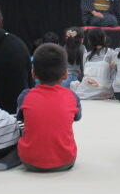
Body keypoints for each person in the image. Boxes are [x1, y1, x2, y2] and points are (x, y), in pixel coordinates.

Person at [12, 44, 82, 172]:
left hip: (29, 161)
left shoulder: (25, 96)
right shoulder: (72, 96)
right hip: (66, 160)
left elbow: (20, 119)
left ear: (33, 73)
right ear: (65, 74)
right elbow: (77, 117)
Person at [72, 28, 115, 100]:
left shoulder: (87, 55)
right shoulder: (112, 53)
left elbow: (84, 73)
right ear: (104, 38)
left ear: (89, 41)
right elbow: (114, 75)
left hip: (92, 89)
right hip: (102, 89)